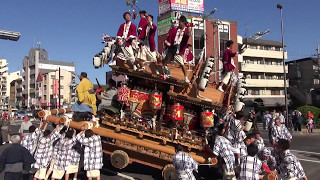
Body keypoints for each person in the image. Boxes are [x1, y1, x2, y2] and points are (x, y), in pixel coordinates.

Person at [164, 15, 192, 83]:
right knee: (165, 62)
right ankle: (166, 74)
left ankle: (186, 77)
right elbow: (170, 36)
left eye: (180, 22)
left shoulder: (185, 30)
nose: (179, 23)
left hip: (179, 50)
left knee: (182, 64)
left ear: (183, 22)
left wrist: (188, 26)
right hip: (172, 48)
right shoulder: (176, 29)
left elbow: (188, 34)